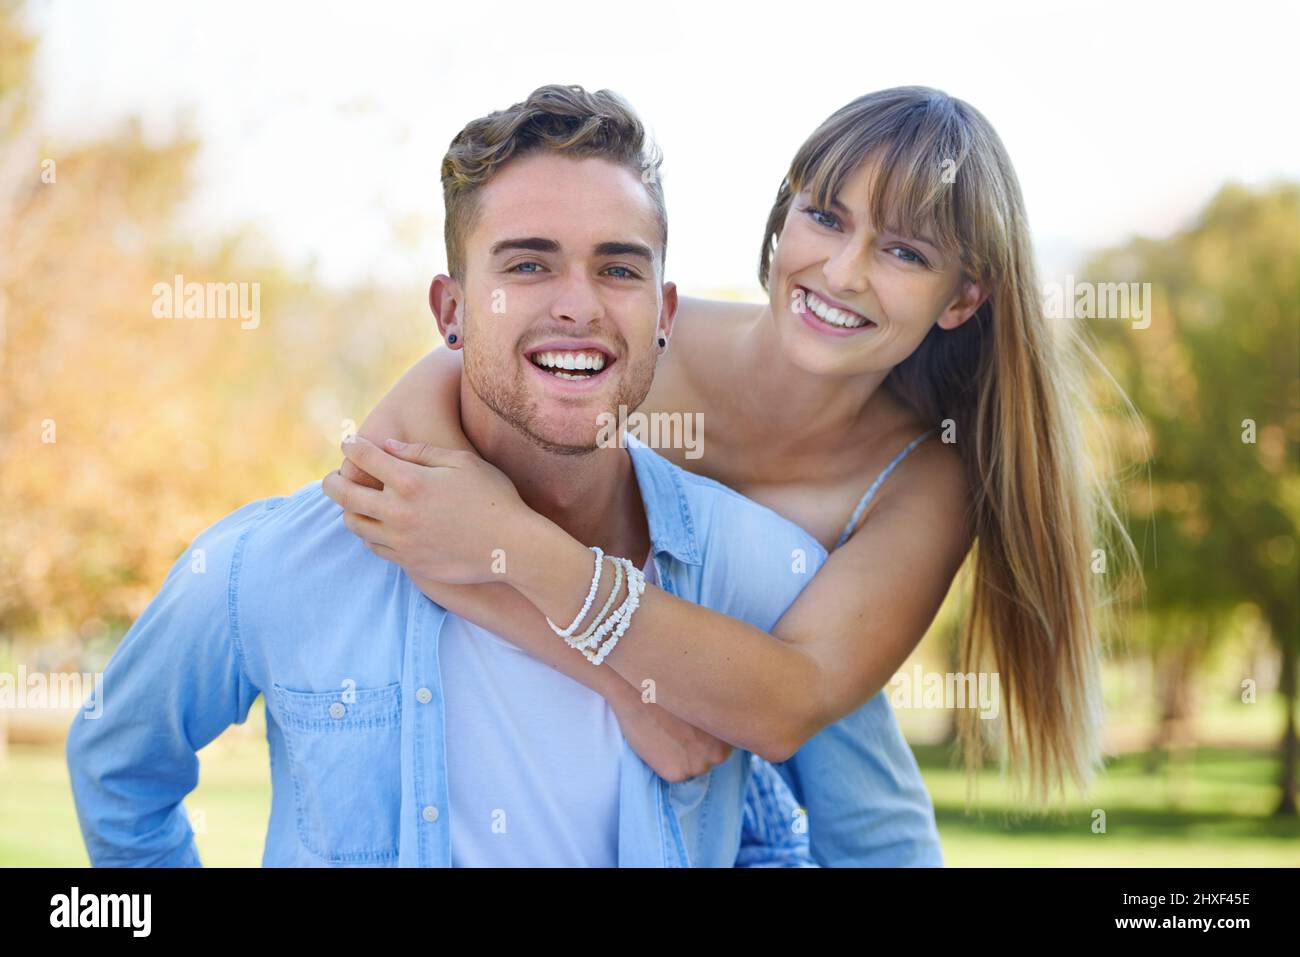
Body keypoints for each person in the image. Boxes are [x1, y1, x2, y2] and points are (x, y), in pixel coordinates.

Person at [65, 84, 933, 867]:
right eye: (527, 264)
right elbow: (118, 769)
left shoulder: (759, 577)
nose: (579, 304)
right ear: (449, 311)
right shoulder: (277, 565)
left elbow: (883, 844)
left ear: (665, 314)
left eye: (619, 268)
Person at [333, 84, 1126, 863]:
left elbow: (790, 704)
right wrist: (625, 687)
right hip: (652, 773)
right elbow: (389, 494)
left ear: (962, 299)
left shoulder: (922, 478)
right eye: (825, 216)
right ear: (782, 217)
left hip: (821, 801)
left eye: (904, 252)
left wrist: (506, 539)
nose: (845, 272)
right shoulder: (639, 351)